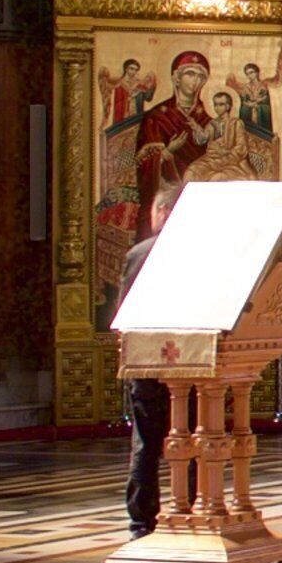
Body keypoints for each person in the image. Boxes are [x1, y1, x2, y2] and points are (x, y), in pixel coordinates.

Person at [115, 185, 179, 538]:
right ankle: (190, 507)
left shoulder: (139, 253)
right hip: (190, 358)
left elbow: (124, 310)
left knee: (145, 442)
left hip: (146, 357)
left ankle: (141, 522)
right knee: (191, 436)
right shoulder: (204, 254)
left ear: (162, 212)